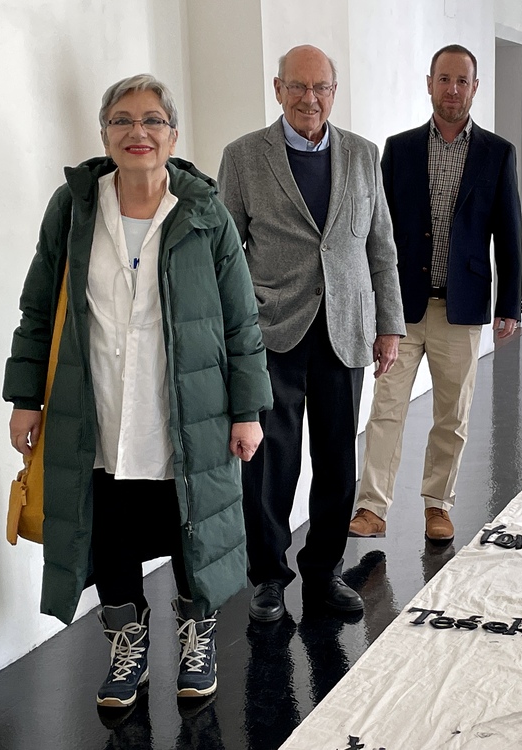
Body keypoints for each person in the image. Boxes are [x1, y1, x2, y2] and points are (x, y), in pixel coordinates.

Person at [4, 74, 272, 709]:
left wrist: (247, 410)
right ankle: (128, 649)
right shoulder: (74, 208)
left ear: (173, 135)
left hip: (187, 410)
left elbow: (241, 321)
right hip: (94, 407)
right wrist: (26, 399)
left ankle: (197, 640)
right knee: (110, 533)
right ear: (104, 134)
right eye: (122, 120)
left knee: (190, 530)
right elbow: (38, 307)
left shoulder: (205, 213)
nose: (137, 132)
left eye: (152, 120)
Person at [218, 45, 405, 623]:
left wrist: (390, 325)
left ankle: (323, 573)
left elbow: (381, 247)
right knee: (269, 464)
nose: (310, 99)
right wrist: (234, 334)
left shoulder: (363, 154)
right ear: (278, 89)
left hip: (344, 331)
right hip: (271, 333)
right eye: (298, 87)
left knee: (337, 462)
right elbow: (224, 256)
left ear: (334, 91)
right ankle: (269, 578)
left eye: (321, 87)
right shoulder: (243, 157)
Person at [348, 44, 522, 544]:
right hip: (401, 309)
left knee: (453, 415)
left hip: (461, 307)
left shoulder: (497, 153)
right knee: (386, 409)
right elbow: (377, 233)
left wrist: (509, 303)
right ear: (429, 83)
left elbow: (509, 231)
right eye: (444, 79)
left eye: (462, 81)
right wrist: (373, 303)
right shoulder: (399, 149)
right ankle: (371, 508)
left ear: (474, 88)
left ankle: (438, 506)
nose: (452, 89)